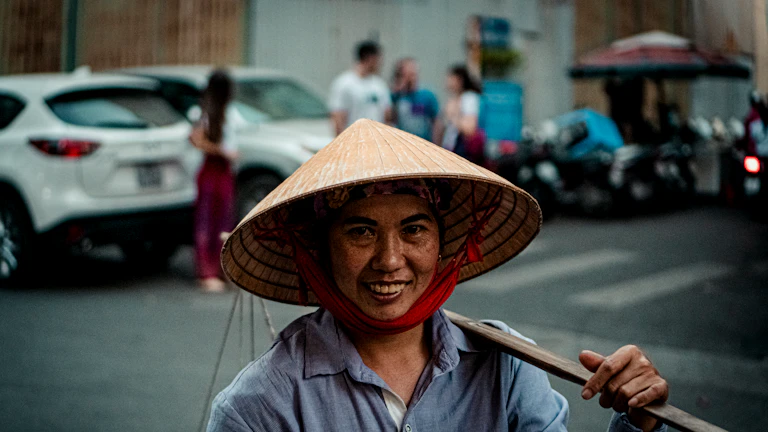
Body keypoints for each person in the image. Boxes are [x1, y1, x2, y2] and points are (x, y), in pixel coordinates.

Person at [209, 119, 670, 431]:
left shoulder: (505, 366)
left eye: (413, 229)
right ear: (320, 250)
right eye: (361, 231)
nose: (390, 260)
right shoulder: (259, 407)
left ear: (443, 242)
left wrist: (639, 421)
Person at [189, 69, 239, 292]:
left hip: (224, 171)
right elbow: (196, 139)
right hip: (212, 170)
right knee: (208, 221)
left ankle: (221, 269)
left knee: (225, 220)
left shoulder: (228, 113)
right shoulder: (205, 113)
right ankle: (206, 272)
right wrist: (220, 151)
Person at [328, 40, 392, 136]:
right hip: (354, 141)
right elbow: (338, 116)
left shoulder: (379, 85)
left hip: (376, 142)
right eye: (379, 59)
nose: (381, 63)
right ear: (370, 58)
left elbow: (387, 115)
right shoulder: (345, 83)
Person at [434, 64, 486, 166]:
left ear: (459, 80)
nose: (447, 81)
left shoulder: (469, 98)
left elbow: (469, 128)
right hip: (450, 150)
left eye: (450, 78)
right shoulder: (453, 99)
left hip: (463, 152)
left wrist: (451, 116)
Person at [391, 58, 439, 141]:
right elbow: (390, 119)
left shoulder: (427, 95)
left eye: (413, 74)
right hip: (402, 142)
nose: (411, 78)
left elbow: (436, 122)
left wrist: (436, 143)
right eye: (407, 74)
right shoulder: (396, 96)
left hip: (423, 142)